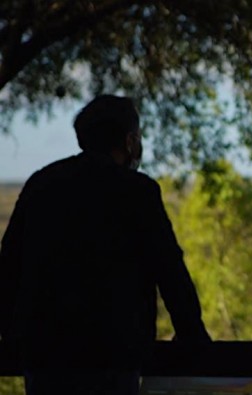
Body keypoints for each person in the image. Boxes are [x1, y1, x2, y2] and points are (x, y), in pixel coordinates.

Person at [0, 95, 211, 395]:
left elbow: (8, 266)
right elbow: (169, 269)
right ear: (129, 141)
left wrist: (12, 336)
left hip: (46, 357)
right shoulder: (138, 191)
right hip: (113, 358)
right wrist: (193, 336)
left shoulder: (41, 183)